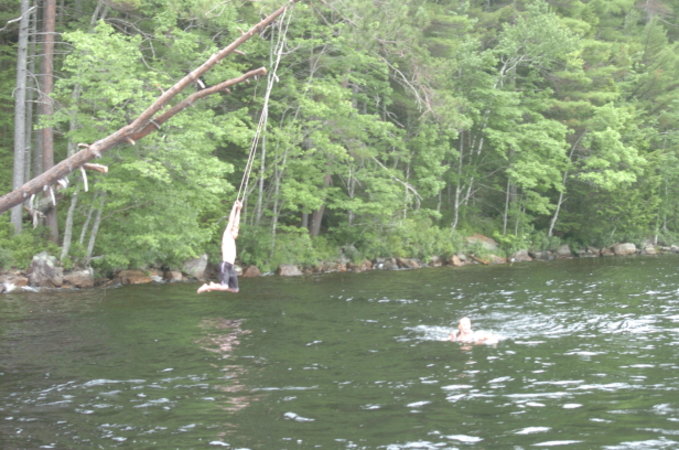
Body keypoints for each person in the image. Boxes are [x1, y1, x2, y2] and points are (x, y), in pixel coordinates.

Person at [197, 200, 242, 294]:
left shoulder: (232, 238)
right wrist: (234, 207)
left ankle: (213, 286)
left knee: (235, 290)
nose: (236, 232)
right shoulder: (227, 235)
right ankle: (207, 287)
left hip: (231, 267)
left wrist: (239, 210)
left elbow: (236, 223)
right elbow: (231, 221)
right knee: (224, 286)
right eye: (235, 230)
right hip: (225, 265)